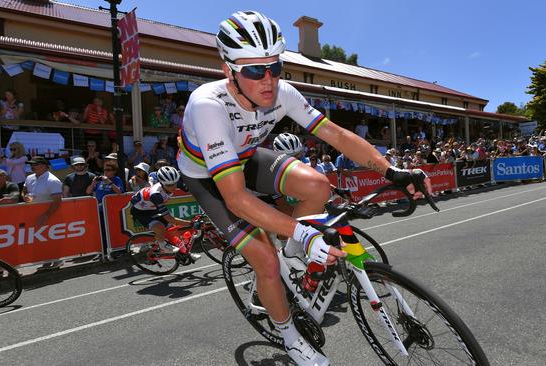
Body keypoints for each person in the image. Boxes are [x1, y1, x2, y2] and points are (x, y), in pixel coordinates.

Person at [177, 11, 431, 366]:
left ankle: (294, 256)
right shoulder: (208, 105)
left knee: (317, 184)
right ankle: (290, 336)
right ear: (228, 71)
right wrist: (305, 231)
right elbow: (235, 197)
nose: (268, 80)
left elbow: (336, 135)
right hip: (208, 177)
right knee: (264, 259)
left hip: (246, 156)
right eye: (253, 70)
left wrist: (392, 171)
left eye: (275, 67)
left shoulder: (282, 92)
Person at [129, 166, 192, 255]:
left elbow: (193, 192)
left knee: (172, 229)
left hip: (152, 207)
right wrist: (191, 223)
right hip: (140, 211)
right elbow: (169, 218)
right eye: (169, 185)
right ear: (162, 183)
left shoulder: (174, 181)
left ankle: (185, 253)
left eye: (175, 183)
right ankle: (162, 247)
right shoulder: (156, 194)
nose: (173, 187)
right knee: (160, 227)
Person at [22, 156, 63, 227]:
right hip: (31, 212)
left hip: (47, 216)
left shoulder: (52, 180)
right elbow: (24, 191)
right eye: (31, 164)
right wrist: (24, 196)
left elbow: (57, 201)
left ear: (44, 166)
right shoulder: (29, 177)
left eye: (35, 164)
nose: (32, 166)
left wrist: (46, 215)